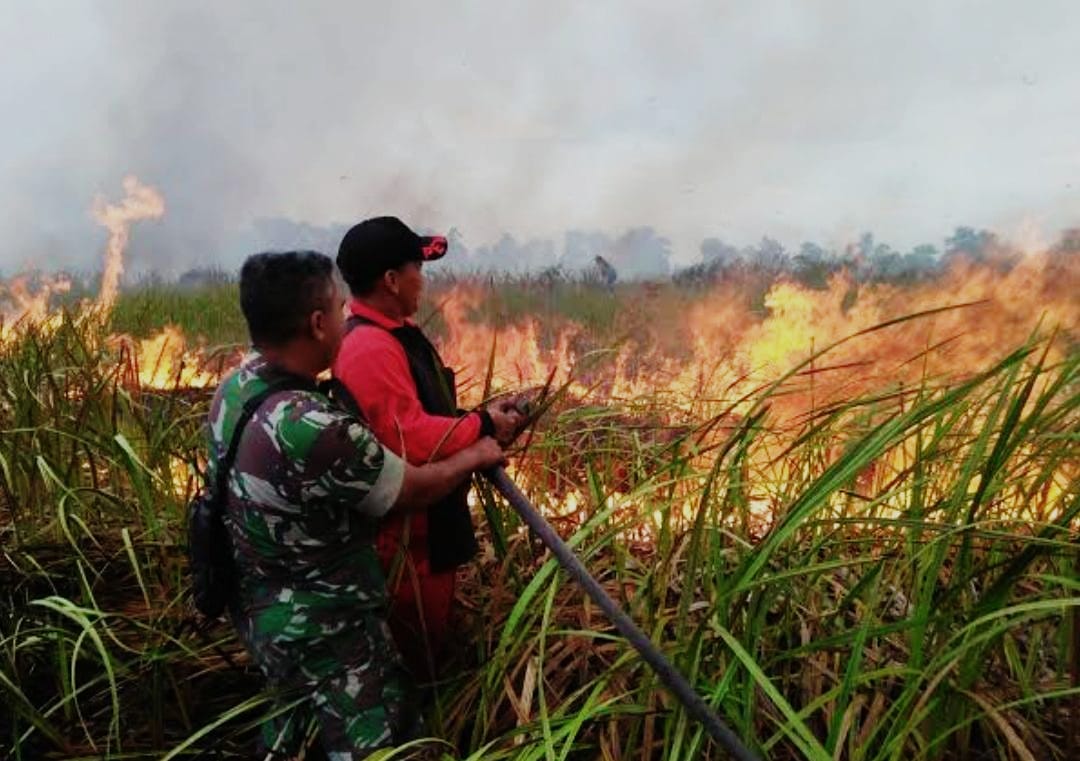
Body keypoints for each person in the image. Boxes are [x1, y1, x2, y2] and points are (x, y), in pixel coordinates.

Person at [206, 251, 505, 759]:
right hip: (326, 627)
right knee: (381, 741)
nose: (349, 319)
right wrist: (477, 452)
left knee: (295, 723)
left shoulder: (237, 387)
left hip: (261, 609)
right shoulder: (314, 428)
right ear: (319, 324)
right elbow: (412, 488)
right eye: (341, 309)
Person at [332, 217, 523, 680]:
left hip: (425, 538)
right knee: (416, 667)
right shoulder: (370, 348)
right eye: (417, 266)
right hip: (406, 548)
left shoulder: (392, 334)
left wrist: (481, 420)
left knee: (429, 649)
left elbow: (418, 415)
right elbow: (410, 439)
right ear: (391, 280)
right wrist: (481, 426)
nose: (424, 277)